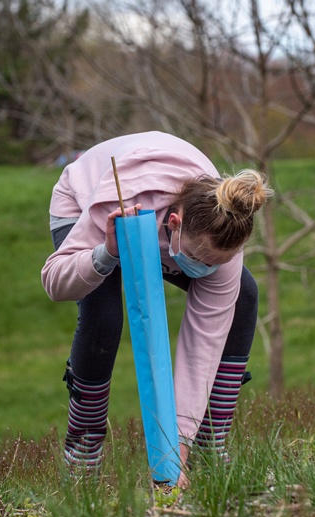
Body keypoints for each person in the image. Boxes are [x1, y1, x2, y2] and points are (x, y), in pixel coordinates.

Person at [41, 131, 272, 487]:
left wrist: (175, 449)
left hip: (168, 229)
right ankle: (83, 452)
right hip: (85, 201)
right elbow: (55, 283)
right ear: (175, 226)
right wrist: (107, 253)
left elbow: (202, 351)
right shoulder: (121, 195)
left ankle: (209, 447)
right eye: (198, 260)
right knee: (103, 317)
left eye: (215, 264)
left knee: (244, 295)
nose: (205, 271)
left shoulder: (224, 229)